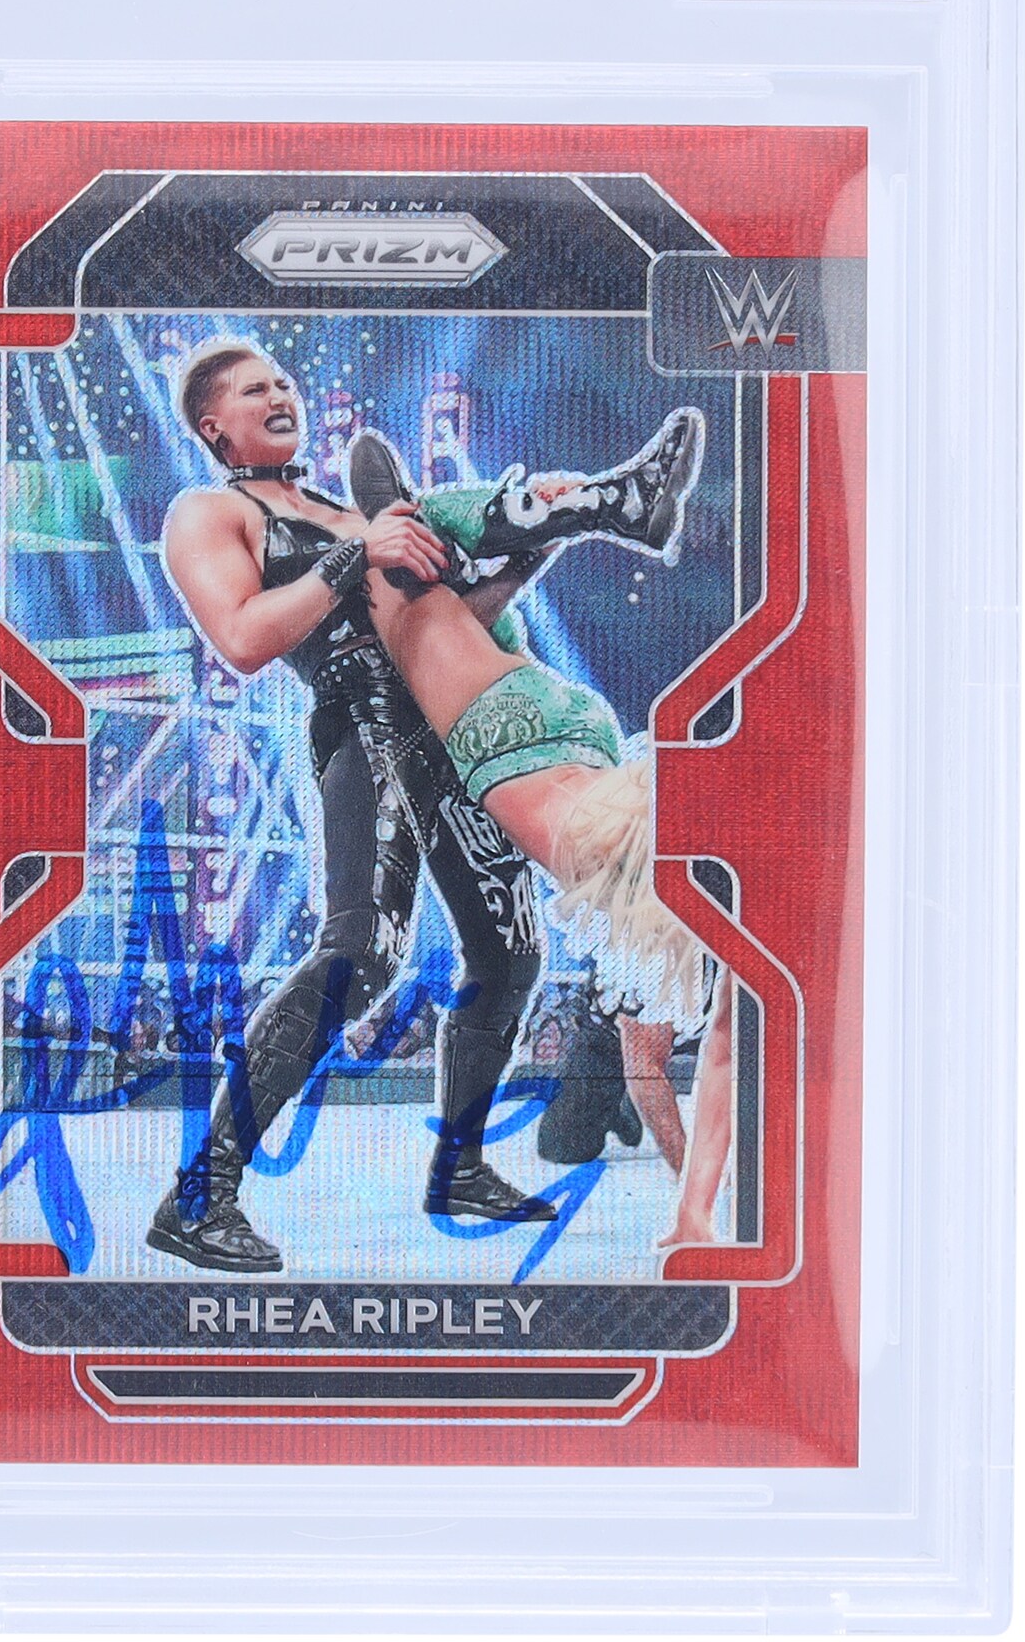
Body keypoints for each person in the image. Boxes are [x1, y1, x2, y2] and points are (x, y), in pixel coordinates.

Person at [145, 343, 699, 1273]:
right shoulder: (210, 512)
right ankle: (199, 1197)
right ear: (214, 424)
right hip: (368, 724)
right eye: (254, 388)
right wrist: (358, 551)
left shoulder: (347, 511)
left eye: (284, 381)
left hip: (456, 721)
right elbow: (241, 638)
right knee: (360, 953)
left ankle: (460, 1168)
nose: (280, 394)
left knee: (511, 956)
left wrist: (531, 552)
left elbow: (449, 626)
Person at [346, 420, 739, 1244]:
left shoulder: (447, 622)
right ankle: (618, 503)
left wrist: (539, 543)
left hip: (598, 786)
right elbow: (406, 535)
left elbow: (468, 604)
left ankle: (614, 504)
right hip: (593, 806)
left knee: (725, 1021)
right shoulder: (394, 600)